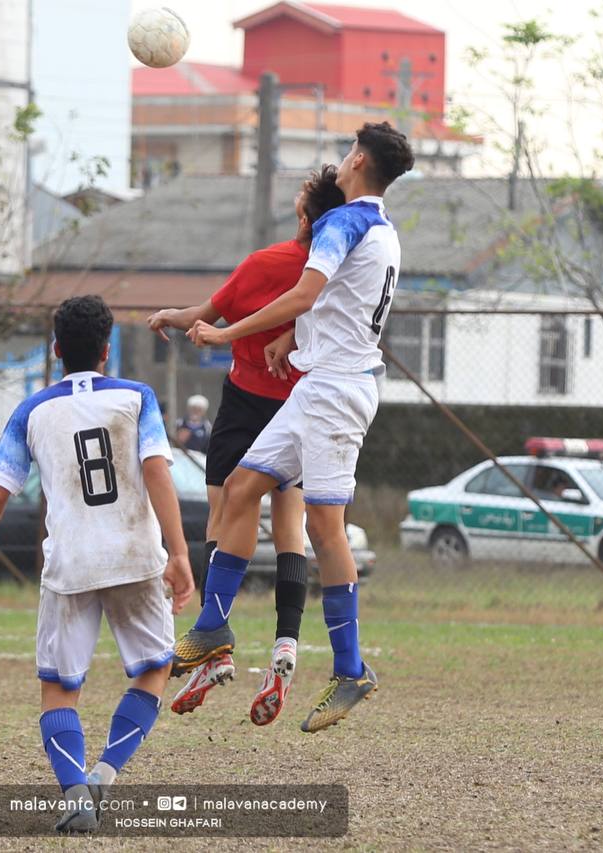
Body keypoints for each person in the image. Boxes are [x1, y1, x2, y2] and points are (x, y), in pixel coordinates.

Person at [179, 122, 414, 733]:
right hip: (320, 385)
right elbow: (340, 304)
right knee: (241, 488)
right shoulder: (382, 230)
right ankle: (211, 628)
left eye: (345, 152)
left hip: (337, 393)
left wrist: (229, 334)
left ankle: (351, 668)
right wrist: (293, 337)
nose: (339, 160)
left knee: (324, 526)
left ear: (358, 159)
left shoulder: (342, 222)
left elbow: (308, 294)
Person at [0, 295, 194, 833]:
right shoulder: (137, 397)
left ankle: (75, 789)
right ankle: (104, 774)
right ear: (108, 349)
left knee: (60, 688)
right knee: (154, 668)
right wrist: (179, 552)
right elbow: (156, 471)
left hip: (70, 564)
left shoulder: (32, 410)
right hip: (135, 556)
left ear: (56, 349)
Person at [146, 165, 346, 725]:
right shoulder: (335, 273)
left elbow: (208, 315)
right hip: (301, 406)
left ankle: (216, 637)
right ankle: (286, 646)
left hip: (246, 406)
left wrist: (170, 315)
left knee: (226, 512)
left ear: (304, 217)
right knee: (291, 525)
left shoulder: (266, 264)